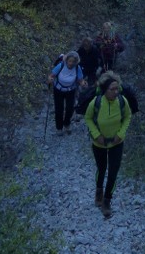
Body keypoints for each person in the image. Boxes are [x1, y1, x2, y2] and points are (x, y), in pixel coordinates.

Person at [84, 71, 132, 217]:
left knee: (113, 172)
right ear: (105, 89)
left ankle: (107, 201)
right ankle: (99, 189)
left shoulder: (123, 101)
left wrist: (121, 134)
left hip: (117, 143)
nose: (116, 92)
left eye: (117, 89)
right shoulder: (96, 102)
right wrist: (97, 135)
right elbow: (88, 118)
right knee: (101, 168)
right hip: (99, 143)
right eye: (112, 89)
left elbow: (127, 117)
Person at [48, 50, 86, 134]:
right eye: (70, 61)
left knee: (70, 109)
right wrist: (50, 79)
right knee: (59, 109)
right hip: (58, 90)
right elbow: (51, 75)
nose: (71, 63)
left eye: (73, 62)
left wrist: (83, 84)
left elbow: (80, 80)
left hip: (71, 91)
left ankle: (67, 124)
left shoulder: (77, 68)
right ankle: (59, 128)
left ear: (76, 62)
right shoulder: (61, 65)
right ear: (67, 60)